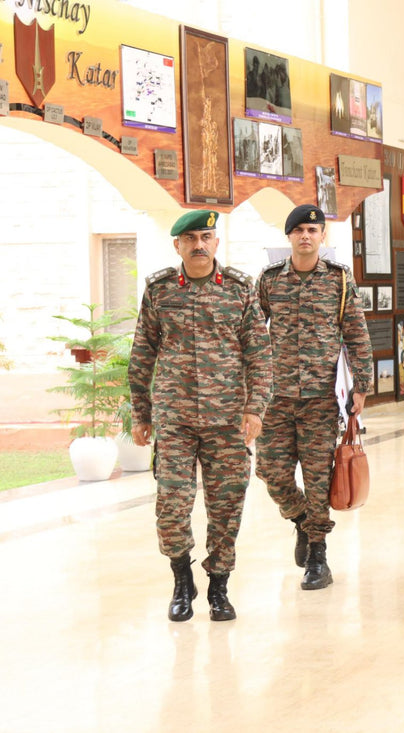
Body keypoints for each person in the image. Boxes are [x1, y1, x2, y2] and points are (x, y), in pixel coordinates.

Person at [129, 209, 273, 623]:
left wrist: (254, 408)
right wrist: (141, 413)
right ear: (177, 245)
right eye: (190, 238)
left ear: (216, 242)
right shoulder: (158, 290)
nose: (198, 245)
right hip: (174, 419)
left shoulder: (239, 289)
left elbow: (259, 354)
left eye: (206, 236)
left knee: (227, 506)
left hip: (228, 419)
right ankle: (180, 579)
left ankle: (219, 586)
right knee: (172, 503)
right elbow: (143, 353)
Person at [255, 204, 373, 591]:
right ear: (288, 236)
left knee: (319, 478)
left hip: (322, 398)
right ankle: (302, 520)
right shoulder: (270, 280)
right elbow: (254, 335)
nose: (306, 236)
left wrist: (362, 387)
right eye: (299, 230)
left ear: (323, 237)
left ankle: (318, 557)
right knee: (271, 473)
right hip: (277, 397)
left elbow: (356, 333)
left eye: (313, 229)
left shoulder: (339, 281)